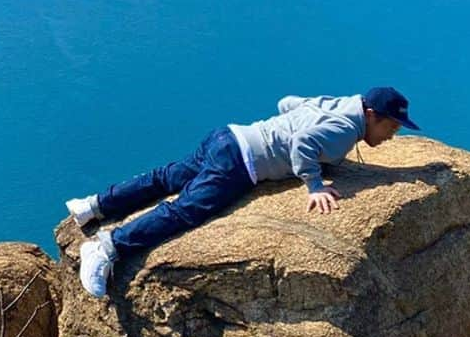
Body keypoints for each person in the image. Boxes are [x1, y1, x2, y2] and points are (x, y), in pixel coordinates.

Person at [66, 87, 419, 299]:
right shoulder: (345, 129)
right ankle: (106, 246)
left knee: (167, 177)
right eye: (390, 126)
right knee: (187, 210)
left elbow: (286, 103)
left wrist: (284, 132)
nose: (392, 135)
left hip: (229, 136)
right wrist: (313, 184)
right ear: (371, 115)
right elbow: (302, 144)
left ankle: (93, 206)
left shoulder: (338, 103)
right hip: (242, 163)